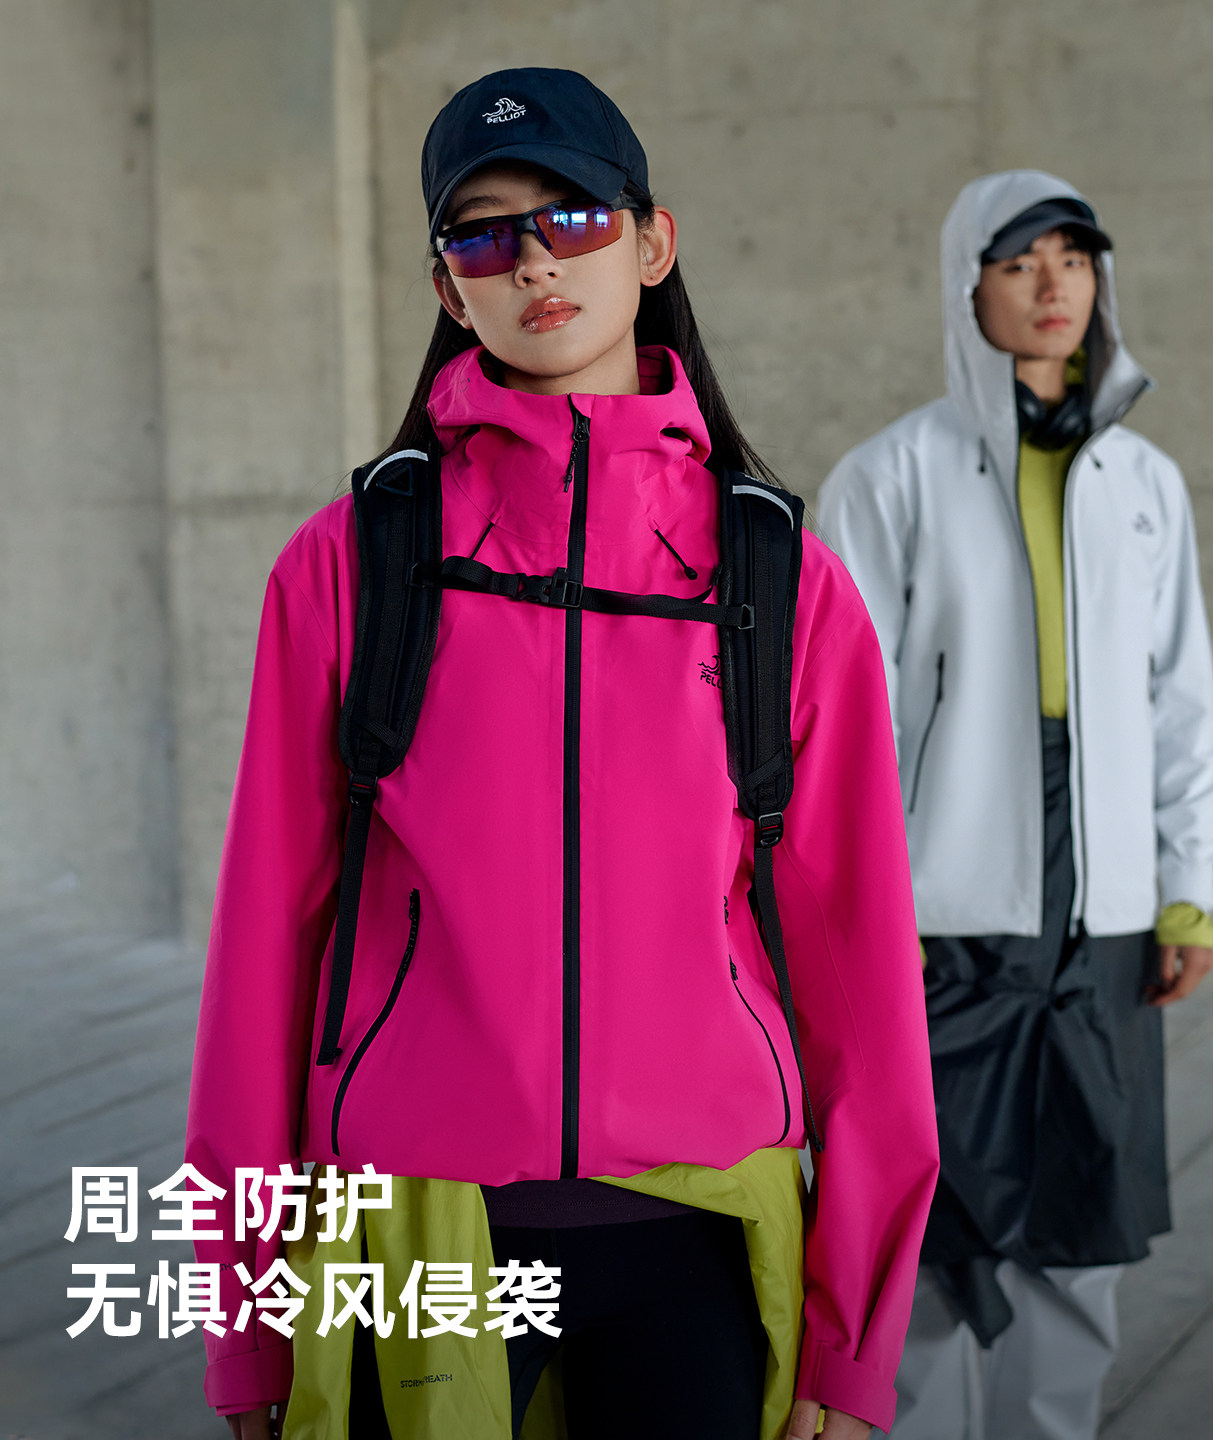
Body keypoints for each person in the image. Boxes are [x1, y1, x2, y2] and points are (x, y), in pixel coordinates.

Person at [184, 68, 938, 1440]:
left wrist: (853, 1343)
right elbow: (264, 955)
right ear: (446, 288)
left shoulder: (779, 578)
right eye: (483, 236)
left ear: (652, 244)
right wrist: (245, 1321)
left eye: (573, 215)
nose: (533, 260)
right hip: (416, 1226)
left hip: (703, 1233)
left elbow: (859, 966)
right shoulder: (353, 565)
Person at [816, 171, 1213, 1440]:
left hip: (1102, 910)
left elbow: (1179, 699)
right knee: (934, 1237)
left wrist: (1185, 889)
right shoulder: (889, 477)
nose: (1054, 285)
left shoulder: (1147, 484)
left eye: (1075, 259)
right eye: (1018, 262)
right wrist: (849, 916)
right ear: (967, 289)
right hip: (941, 913)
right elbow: (839, 726)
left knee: (1080, 1236)